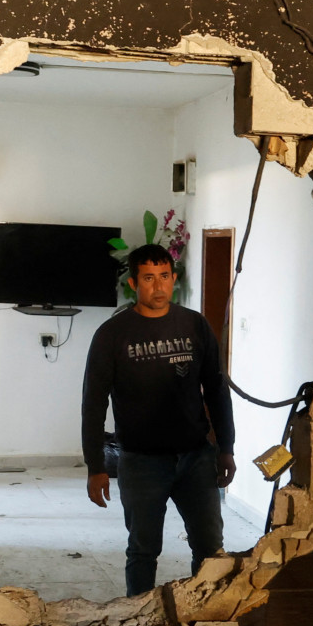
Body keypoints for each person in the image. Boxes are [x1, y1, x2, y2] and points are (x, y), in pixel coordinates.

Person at [81, 243, 237, 596]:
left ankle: (203, 611)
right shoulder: (112, 334)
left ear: (173, 278)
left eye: (164, 276)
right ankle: (137, 614)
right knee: (143, 550)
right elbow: (93, 403)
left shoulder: (194, 325)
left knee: (210, 548)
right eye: (149, 278)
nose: (158, 286)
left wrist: (226, 448)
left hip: (196, 457)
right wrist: (95, 466)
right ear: (134, 284)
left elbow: (216, 390)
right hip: (141, 462)